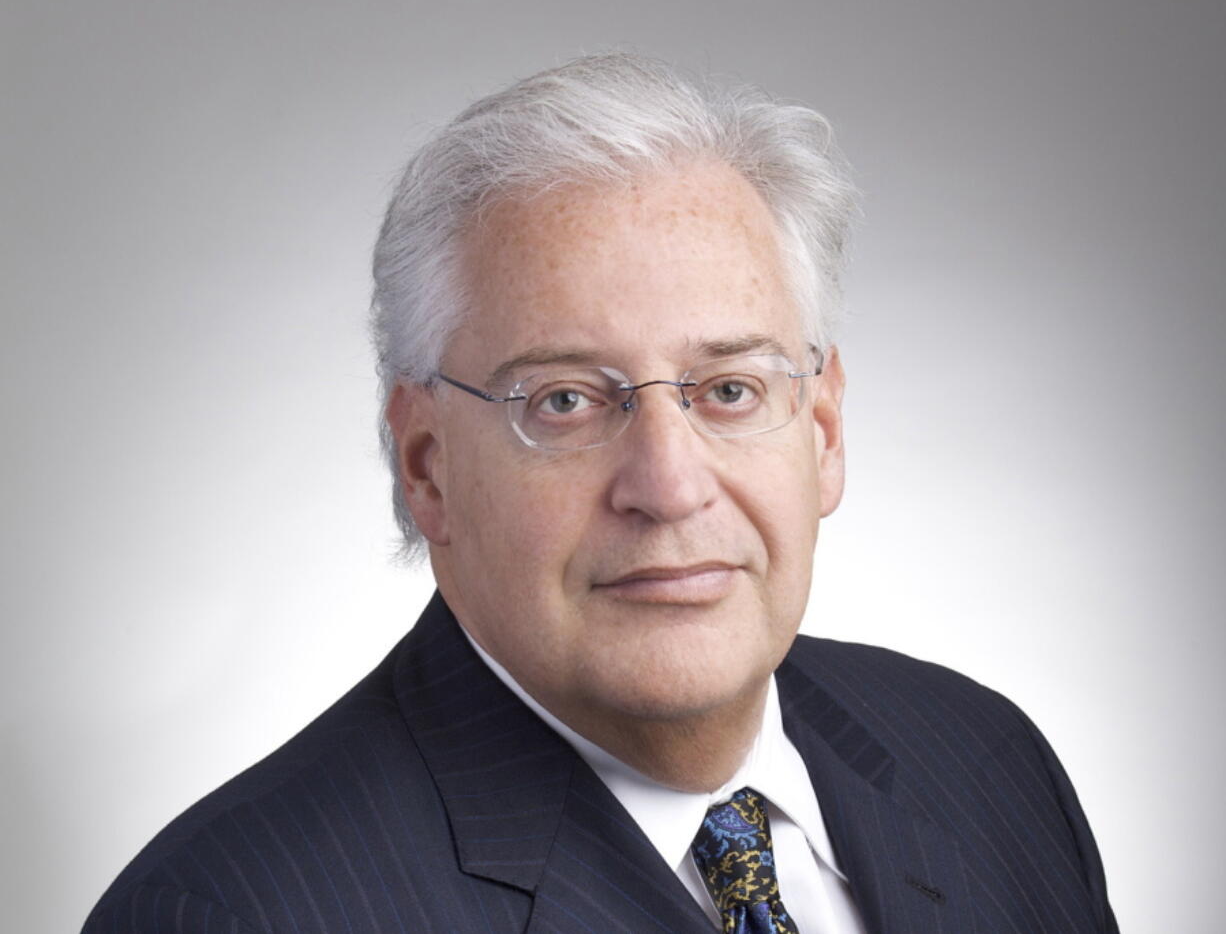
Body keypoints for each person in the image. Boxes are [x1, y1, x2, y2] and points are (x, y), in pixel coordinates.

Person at [84, 53, 1117, 933]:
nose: (667, 486)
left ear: (822, 430)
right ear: (427, 465)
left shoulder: (982, 757)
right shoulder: (236, 908)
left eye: (727, 389)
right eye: (567, 400)